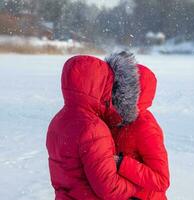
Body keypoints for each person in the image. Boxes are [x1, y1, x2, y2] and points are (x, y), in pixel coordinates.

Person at [46, 55, 142, 200]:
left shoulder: (58, 121)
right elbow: (109, 188)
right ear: (98, 86)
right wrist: (135, 186)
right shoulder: (93, 128)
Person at [105, 52, 170, 200]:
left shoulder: (145, 127)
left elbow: (161, 180)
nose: (112, 93)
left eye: (117, 88)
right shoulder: (115, 121)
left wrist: (121, 163)